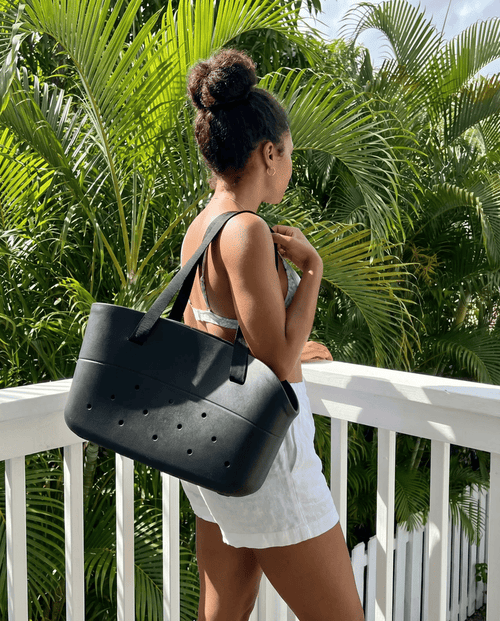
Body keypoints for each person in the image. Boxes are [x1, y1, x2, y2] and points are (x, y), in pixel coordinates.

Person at [180, 48, 364, 621]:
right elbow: (280, 363)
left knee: (225, 612)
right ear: (268, 153)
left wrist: (286, 346)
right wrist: (313, 272)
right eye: (289, 153)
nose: (289, 166)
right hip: (268, 455)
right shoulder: (248, 231)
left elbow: (209, 333)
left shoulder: (201, 227)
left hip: (212, 444)